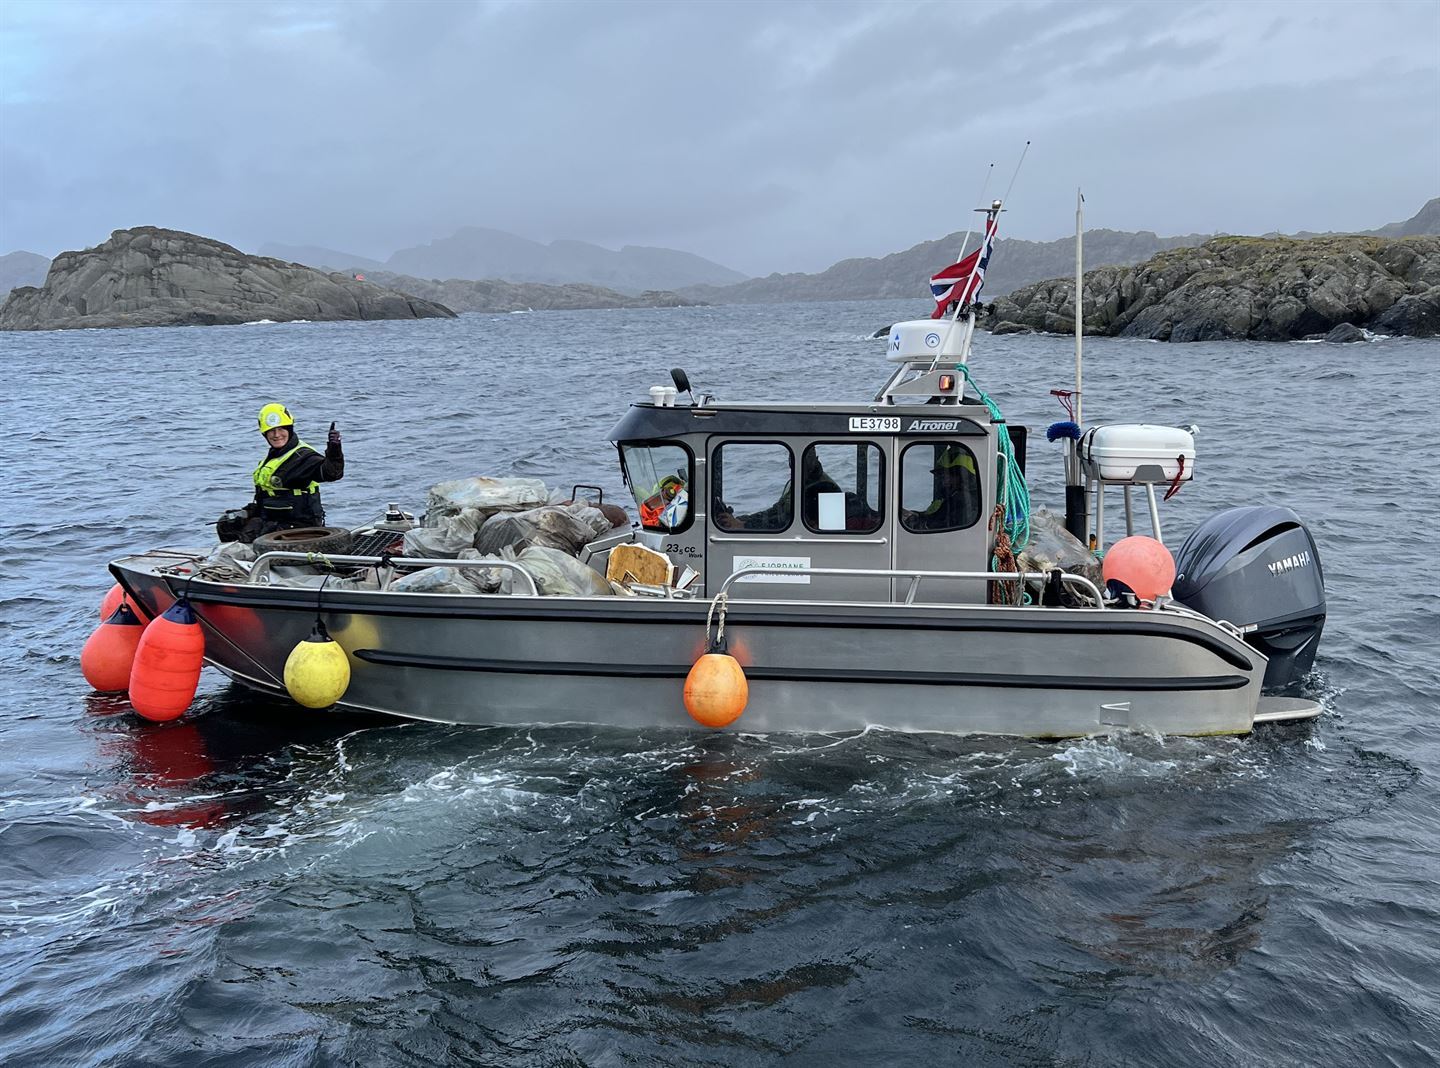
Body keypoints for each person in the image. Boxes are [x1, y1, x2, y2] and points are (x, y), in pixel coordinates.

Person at [238, 402, 344, 541]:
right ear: (265, 434)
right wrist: (249, 512)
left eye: (281, 429)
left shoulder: (303, 457)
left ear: (289, 429)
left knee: (249, 535)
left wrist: (334, 451)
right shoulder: (276, 455)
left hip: (299, 526)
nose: (277, 435)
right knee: (228, 526)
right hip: (273, 518)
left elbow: (331, 473)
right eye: (271, 430)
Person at [903, 445, 979, 531]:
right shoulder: (950, 500)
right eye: (942, 476)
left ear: (963, 477)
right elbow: (932, 518)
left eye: (947, 476)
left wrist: (912, 522)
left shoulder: (965, 503)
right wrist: (912, 515)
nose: (944, 481)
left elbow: (937, 528)